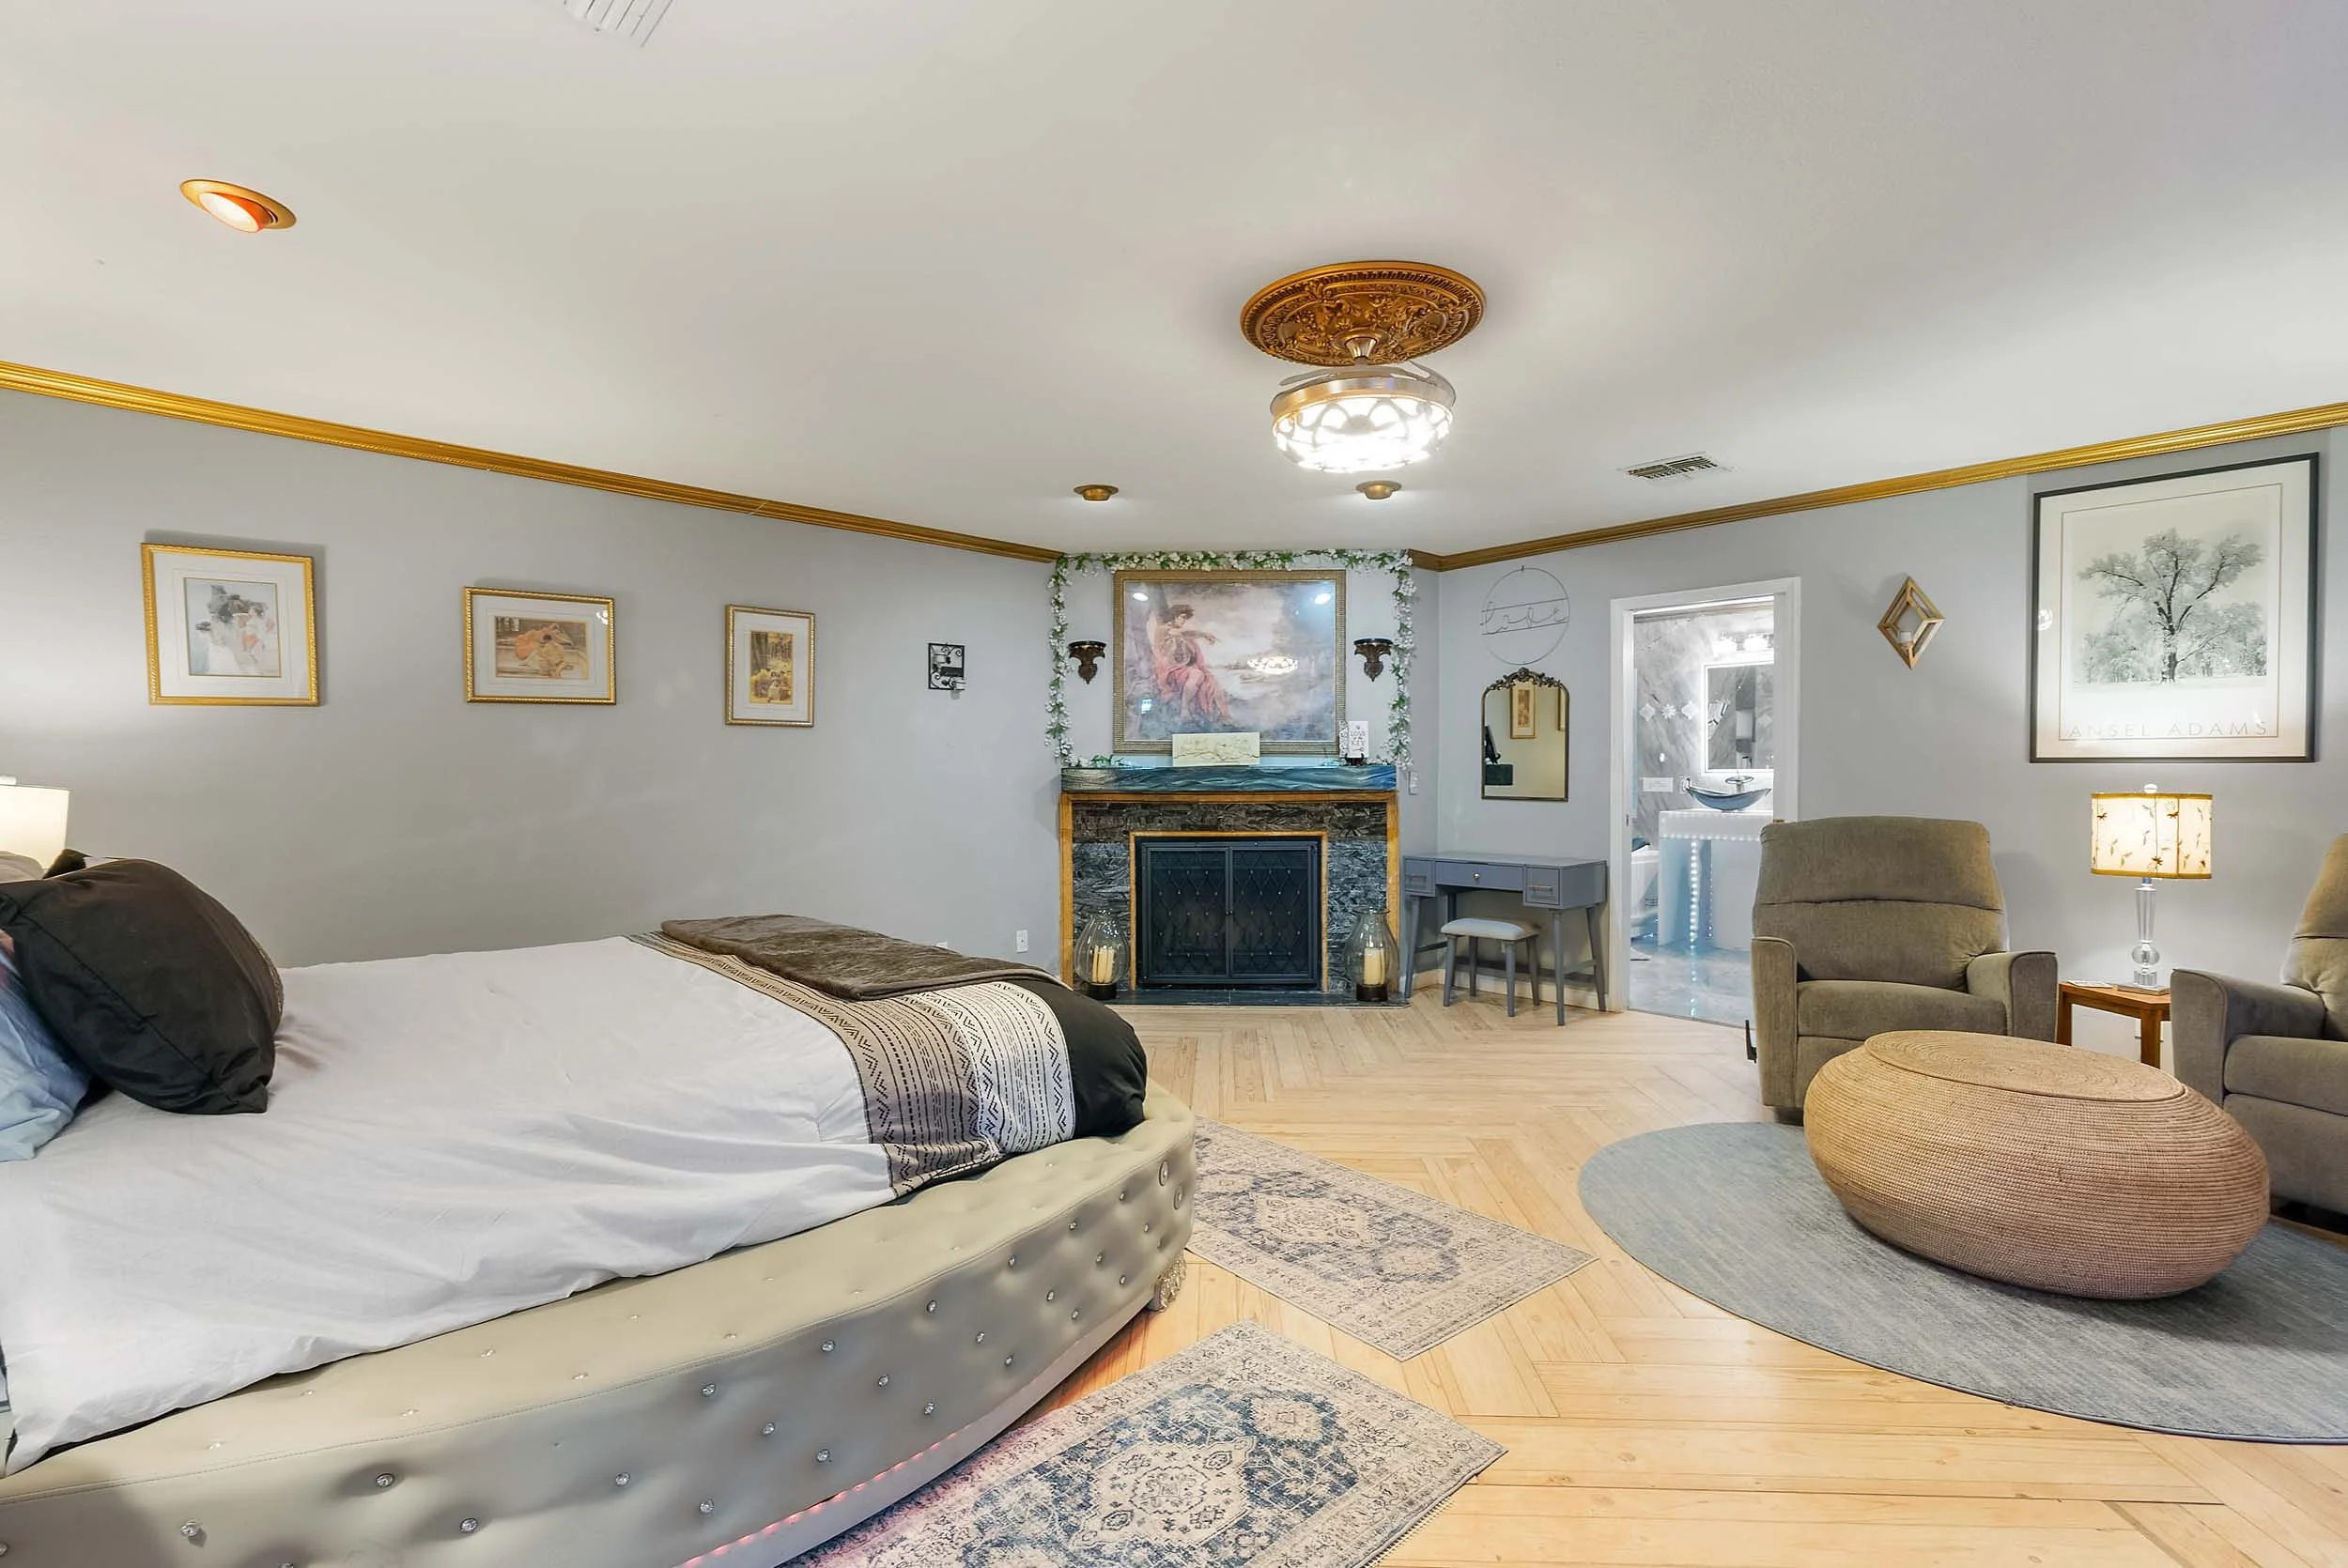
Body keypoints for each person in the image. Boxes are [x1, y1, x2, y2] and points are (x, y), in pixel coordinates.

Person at [1149, 603, 1231, 726]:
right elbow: (1183, 633)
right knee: (1196, 674)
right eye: (1181, 617)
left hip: (1185, 668)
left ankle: (1226, 717)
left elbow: (1191, 655)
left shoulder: (1183, 636)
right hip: (1170, 670)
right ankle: (1185, 709)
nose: (1183, 621)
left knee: (1214, 685)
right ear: (1174, 616)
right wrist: (1204, 634)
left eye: (1185, 618)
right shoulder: (1164, 629)